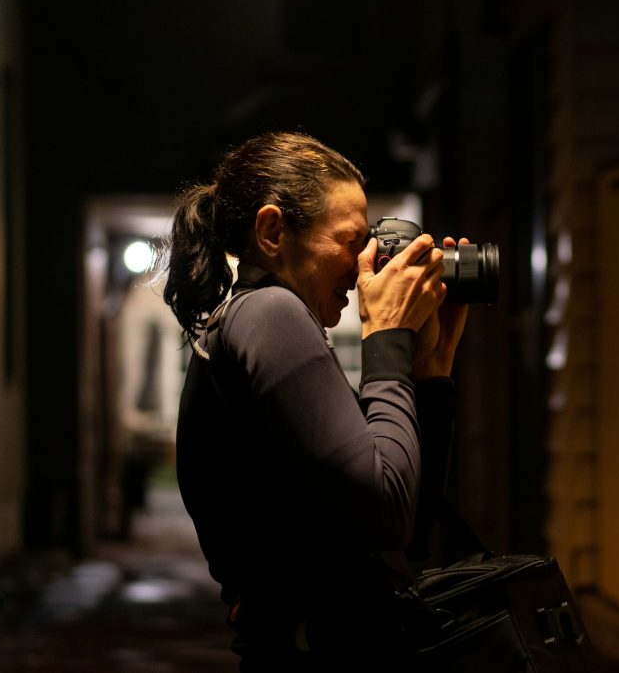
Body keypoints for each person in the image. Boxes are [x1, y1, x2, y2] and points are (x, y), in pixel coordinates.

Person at [162, 131, 467, 671]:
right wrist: (385, 340)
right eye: (351, 241)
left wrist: (430, 375)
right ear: (273, 230)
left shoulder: (256, 322)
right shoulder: (268, 315)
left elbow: (409, 531)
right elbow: (387, 513)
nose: (363, 264)